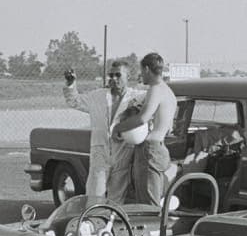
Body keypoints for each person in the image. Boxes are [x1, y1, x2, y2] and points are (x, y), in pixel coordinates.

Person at [63, 60, 144, 201]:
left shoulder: (138, 97)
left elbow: (155, 106)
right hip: (100, 151)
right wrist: (71, 84)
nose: (113, 79)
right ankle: (92, 220)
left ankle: (112, 221)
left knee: (117, 196)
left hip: (123, 151)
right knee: (95, 193)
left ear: (128, 76)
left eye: (118, 75)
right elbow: (74, 101)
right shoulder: (98, 96)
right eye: (111, 75)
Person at [117, 52, 177, 206]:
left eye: (141, 70)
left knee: (147, 203)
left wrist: (118, 128)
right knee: (157, 200)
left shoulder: (155, 89)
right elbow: (169, 128)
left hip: (149, 150)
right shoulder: (169, 93)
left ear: (147, 69)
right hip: (161, 149)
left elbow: (142, 118)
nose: (141, 75)